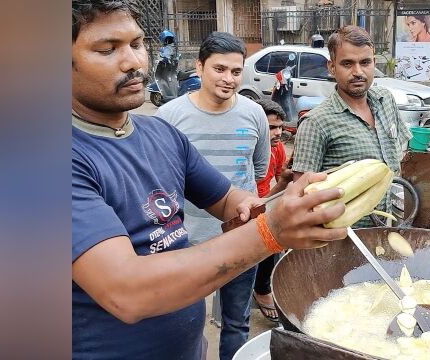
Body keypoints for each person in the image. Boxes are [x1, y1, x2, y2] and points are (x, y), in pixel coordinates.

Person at [72, 1, 347, 359]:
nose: (135, 62)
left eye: (137, 44)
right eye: (108, 49)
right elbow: (127, 291)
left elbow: (230, 201)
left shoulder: (161, 134)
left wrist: (280, 200)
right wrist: (271, 232)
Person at [154, 31, 270, 360]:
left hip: (241, 236)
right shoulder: (169, 118)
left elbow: (258, 170)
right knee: (183, 322)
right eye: (219, 69)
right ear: (200, 67)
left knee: (237, 323)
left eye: (236, 71)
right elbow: (159, 181)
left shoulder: (254, 114)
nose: (229, 79)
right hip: (185, 241)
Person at [291, 25, 411, 228]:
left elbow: (399, 155)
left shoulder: (386, 101)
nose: (358, 72)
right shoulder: (316, 123)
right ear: (332, 67)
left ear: (374, 62)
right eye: (347, 63)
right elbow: (303, 197)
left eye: (365, 62)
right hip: (342, 241)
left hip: (385, 228)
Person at [252, 99, 293, 322]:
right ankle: (261, 289)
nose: (278, 133)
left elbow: (281, 178)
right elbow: (255, 205)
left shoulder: (277, 148)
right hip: (250, 208)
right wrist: (283, 184)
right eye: (271, 128)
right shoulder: (250, 151)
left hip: (270, 201)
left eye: (280, 127)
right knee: (270, 232)